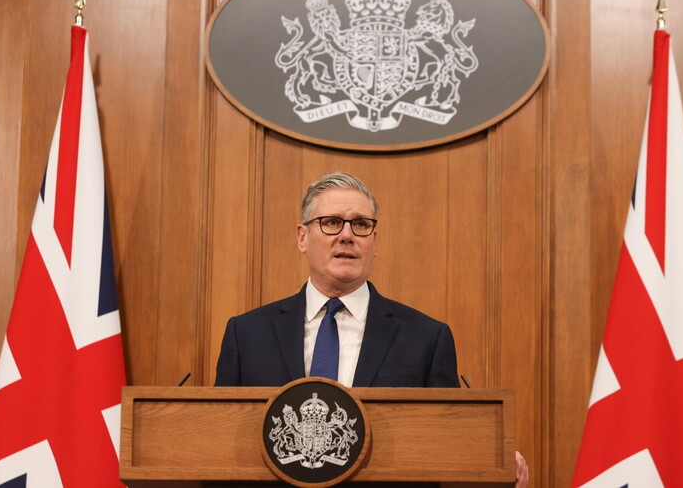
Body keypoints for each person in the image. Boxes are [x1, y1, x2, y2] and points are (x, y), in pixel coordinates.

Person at [215, 171, 529, 487]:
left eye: (361, 224)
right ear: (302, 237)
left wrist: (489, 458)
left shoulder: (426, 339)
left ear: (374, 241)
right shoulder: (247, 334)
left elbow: (448, 443)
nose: (347, 235)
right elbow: (217, 444)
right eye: (331, 222)